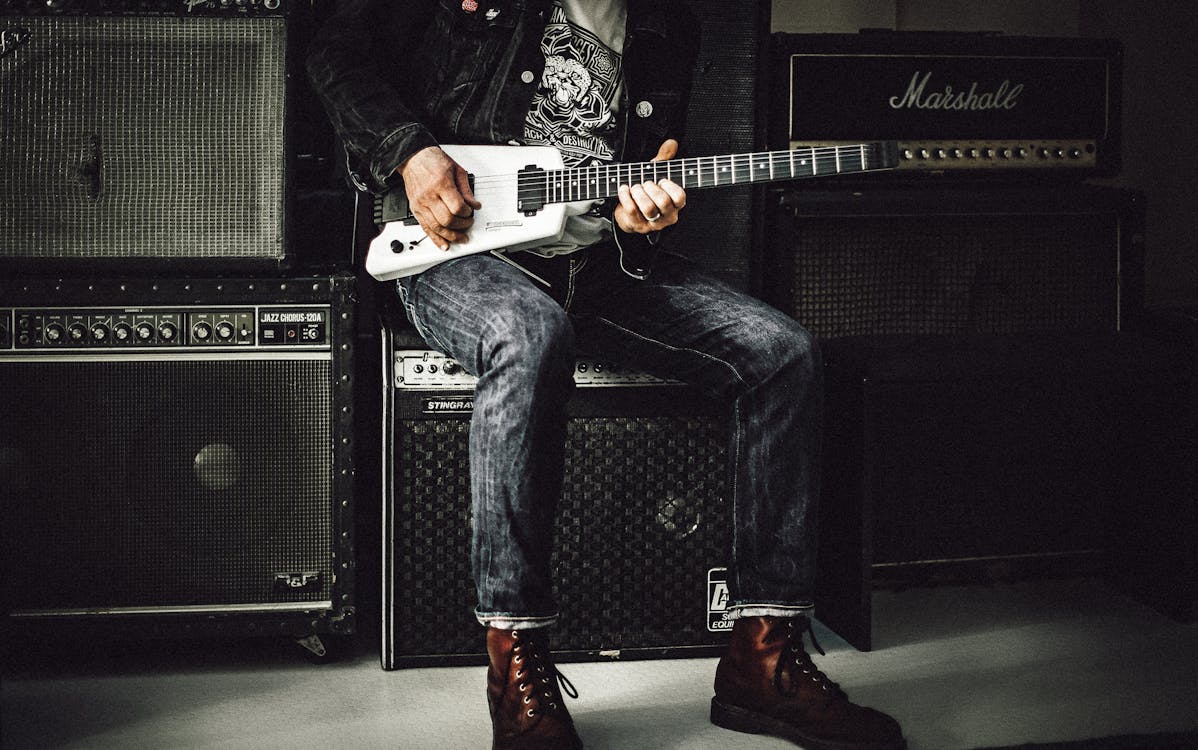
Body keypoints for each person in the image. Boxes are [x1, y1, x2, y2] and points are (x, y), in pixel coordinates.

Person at [307, 2, 906, 749]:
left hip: (600, 266)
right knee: (529, 332)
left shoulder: (667, 23)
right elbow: (335, 52)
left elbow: (644, 176)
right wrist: (411, 153)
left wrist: (643, 214)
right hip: (455, 257)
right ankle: (515, 658)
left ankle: (763, 658)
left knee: (781, 353)